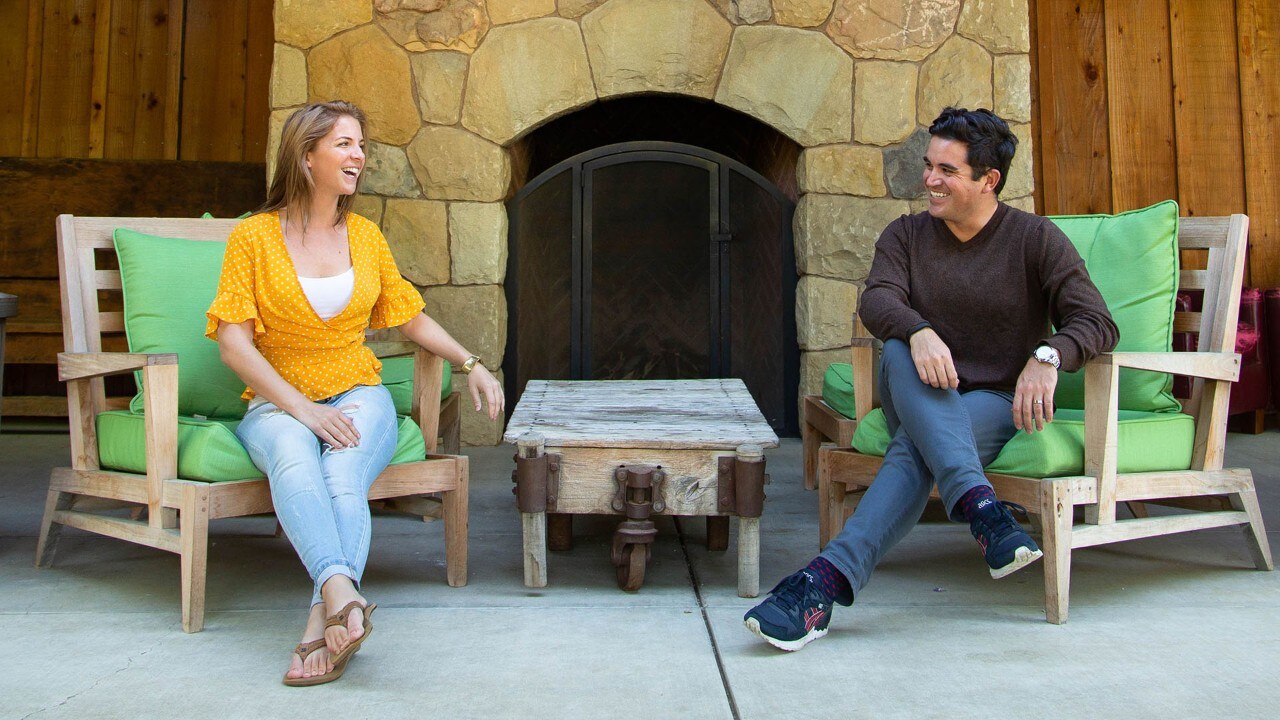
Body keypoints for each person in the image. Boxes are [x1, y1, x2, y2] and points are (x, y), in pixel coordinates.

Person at [744, 107, 1119, 651]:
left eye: (947, 170)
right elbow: (877, 299)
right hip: (917, 390)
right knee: (897, 344)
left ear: (988, 181)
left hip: (993, 402)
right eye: (929, 165)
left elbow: (1097, 321)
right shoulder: (908, 235)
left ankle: (821, 586)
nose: (929, 179)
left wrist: (1049, 354)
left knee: (913, 450)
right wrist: (919, 330)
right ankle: (981, 507)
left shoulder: (1035, 239)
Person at [206, 100, 504, 685]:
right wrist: (303, 409)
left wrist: (471, 362)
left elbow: (408, 316)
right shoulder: (253, 237)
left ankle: (325, 611)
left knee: (344, 475)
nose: (358, 156)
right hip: (277, 404)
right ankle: (339, 598)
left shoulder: (365, 236)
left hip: (358, 391)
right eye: (344, 144)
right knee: (294, 457)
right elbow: (234, 346)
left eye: (360, 145)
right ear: (305, 153)